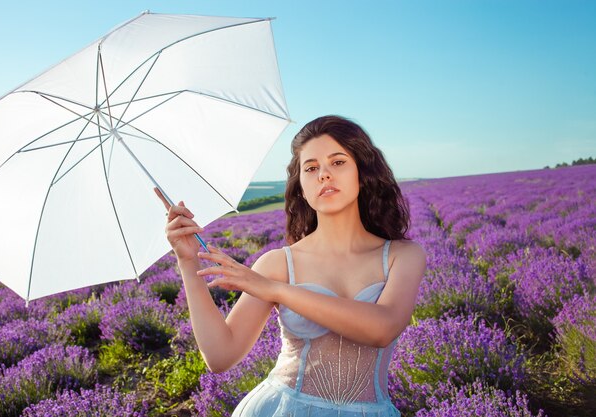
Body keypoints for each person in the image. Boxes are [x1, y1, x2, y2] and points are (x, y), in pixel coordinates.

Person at [155, 115, 426, 416]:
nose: (323, 174)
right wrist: (188, 262)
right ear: (301, 187)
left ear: (362, 172)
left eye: (337, 162)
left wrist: (275, 290)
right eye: (311, 168)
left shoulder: (404, 256)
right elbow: (220, 356)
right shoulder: (278, 263)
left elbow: (382, 328)